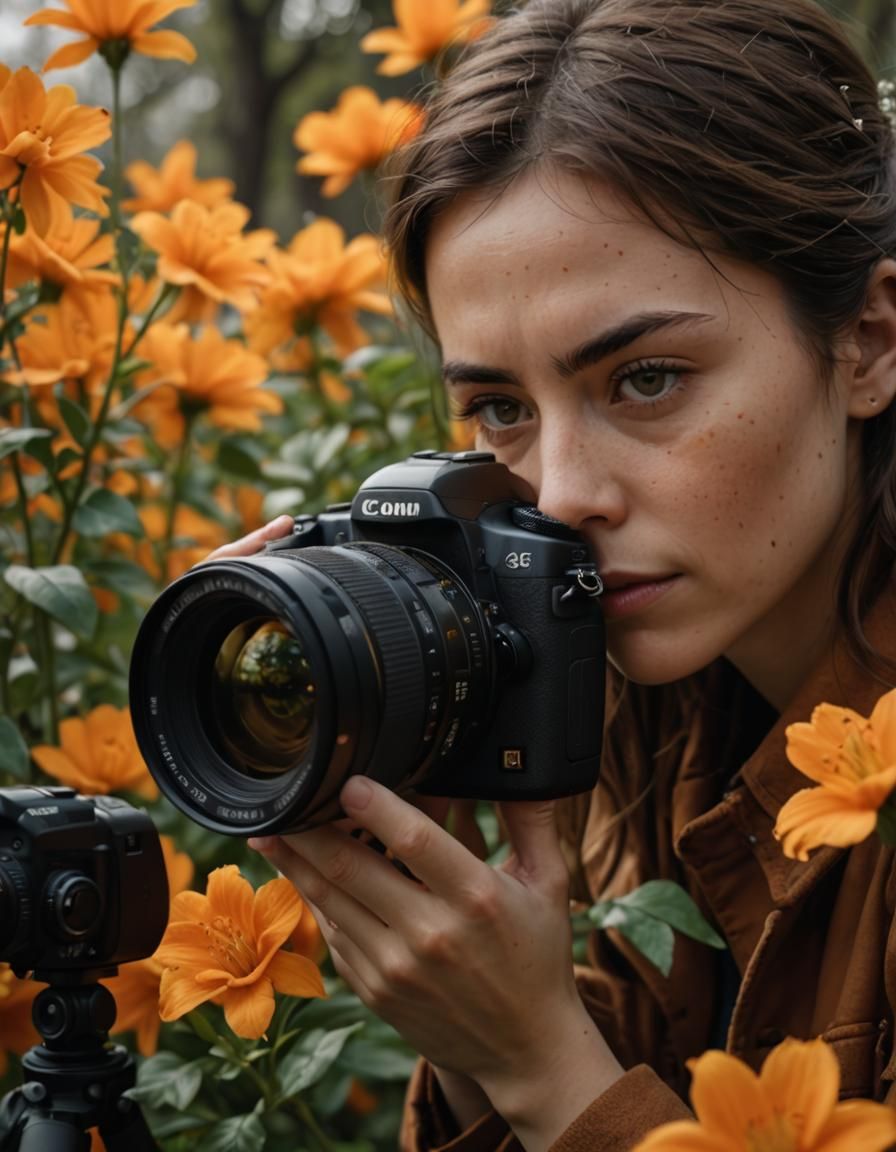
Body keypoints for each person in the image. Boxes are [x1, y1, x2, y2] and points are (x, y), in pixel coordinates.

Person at [213, 0, 896, 1147]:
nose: (560, 492)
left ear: (867, 342)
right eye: (498, 409)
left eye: (645, 379)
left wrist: (540, 1059)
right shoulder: (630, 727)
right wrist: (466, 1014)